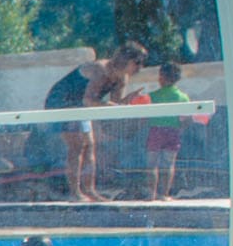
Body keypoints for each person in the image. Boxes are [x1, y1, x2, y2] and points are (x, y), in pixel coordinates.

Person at [45, 43, 144, 202]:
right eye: (137, 62)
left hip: (79, 105)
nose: (140, 67)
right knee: (77, 146)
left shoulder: (121, 78)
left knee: (90, 145)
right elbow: (89, 99)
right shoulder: (101, 70)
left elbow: (115, 104)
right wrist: (110, 105)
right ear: (126, 59)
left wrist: (129, 100)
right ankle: (75, 193)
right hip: (61, 102)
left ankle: (89, 190)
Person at [140, 61, 196, 201]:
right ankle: (164, 194)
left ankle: (151, 194)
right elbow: (187, 118)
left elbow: (143, 115)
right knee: (168, 164)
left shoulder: (152, 96)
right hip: (173, 132)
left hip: (155, 131)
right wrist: (180, 127)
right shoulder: (183, 97)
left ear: (161, 77)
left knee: (152, 164)